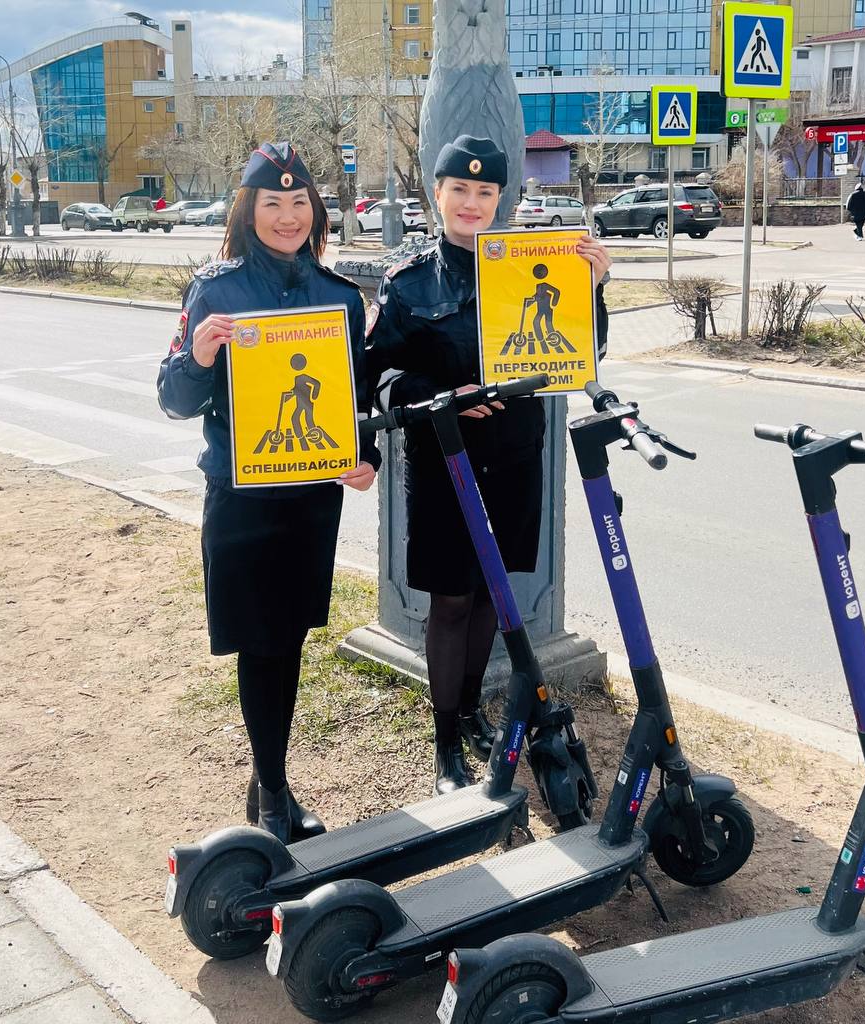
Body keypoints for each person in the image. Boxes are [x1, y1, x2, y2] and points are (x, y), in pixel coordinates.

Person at [366, 135, 612, 795]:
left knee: (488, 595)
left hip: (510, 458)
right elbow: (377, 376)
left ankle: (472, 707)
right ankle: (446, 742)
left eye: (485, 191)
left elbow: (585, 351)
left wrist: (593, 284)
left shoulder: (535, 263)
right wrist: (437, 398)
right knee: (450, 600)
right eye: (459, 189)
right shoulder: (409, 282)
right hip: (445, 460)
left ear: (501, 198)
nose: (471, 202)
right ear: (436, 193)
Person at [157, 142, 380, 842]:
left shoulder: (340, 298)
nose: (287, 216)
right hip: (243, 498)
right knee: (261, 644)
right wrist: (197, 358)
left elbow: (357, 399)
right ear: (247, 211)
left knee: (289, 639)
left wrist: (363, 453)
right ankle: (277, 793)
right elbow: (173, 399)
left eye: (299, 202)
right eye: (272, 204)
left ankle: (266, 773)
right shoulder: (214, 291)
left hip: (312, 499)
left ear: (316, 210)